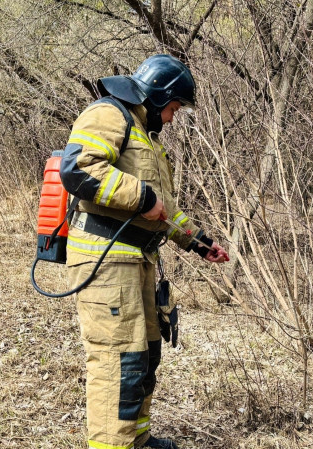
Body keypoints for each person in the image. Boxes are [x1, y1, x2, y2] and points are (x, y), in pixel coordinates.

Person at [60, 54, 229, 449]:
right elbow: (78, 169)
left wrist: (200, 243)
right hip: (105, 261)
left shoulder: (145, 136)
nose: (172, 118)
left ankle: (136, 439)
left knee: (145, 355)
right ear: (157, 96)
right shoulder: (108, 113)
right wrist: (141, 196)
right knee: (120, 362)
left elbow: (162, 209)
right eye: (172, 108)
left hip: (136, 260)